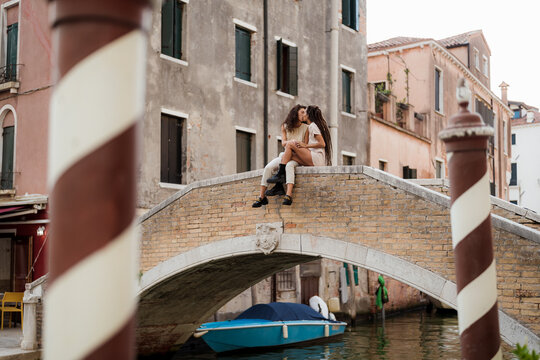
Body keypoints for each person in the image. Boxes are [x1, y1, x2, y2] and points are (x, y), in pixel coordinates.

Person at [266, 105, 332, 205]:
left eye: (304, 112)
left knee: (290, 144)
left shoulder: (313, 126)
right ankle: (287, 194)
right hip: (313, 158)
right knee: (289, 155)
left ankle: (280, 175)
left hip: (316, 158)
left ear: (308, 115)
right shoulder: (312, 126)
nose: (303, 114)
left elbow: (322, 144)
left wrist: (305, 145)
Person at [252, 104, 309, 207]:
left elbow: (306, 145)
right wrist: (291, 143)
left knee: (289, 166)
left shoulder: (306, 128)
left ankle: (288, 195)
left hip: (297, 156)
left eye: (305, 112)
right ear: (295, 113)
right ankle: (262, 197)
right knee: (268, 167)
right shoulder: (285, 126)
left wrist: (295, 145)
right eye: (302, 112)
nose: (304, 114)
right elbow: (283, 143)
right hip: (285, 155)